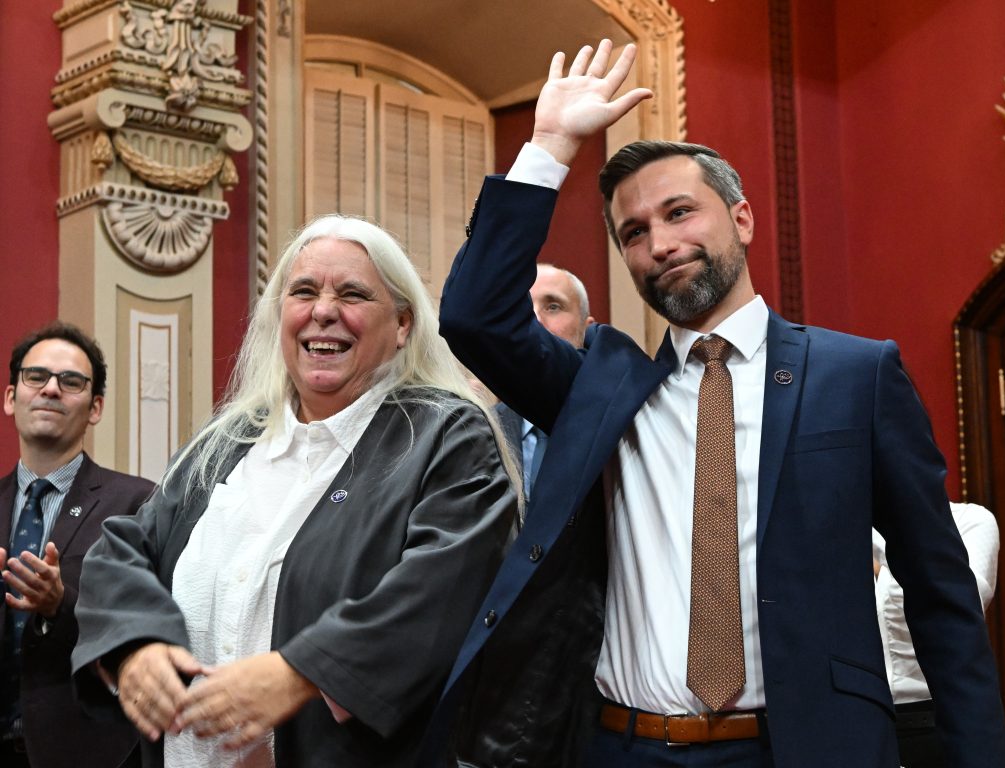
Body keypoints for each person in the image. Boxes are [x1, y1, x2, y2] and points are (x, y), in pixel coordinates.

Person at [428, 40, 1005, 767]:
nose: (661, 244)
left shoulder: (856, 376)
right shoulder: (599, 387)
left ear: (741, 219)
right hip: (621, 747)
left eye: (680, 213)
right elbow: (473, 316)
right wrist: (547, 148)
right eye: (634, 233)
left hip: (803, 749)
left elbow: (940, 593)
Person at [70, 216, 519, 768]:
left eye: (352, 293)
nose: (323, 311)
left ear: (403, 324)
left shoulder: (445, 436)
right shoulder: (228, 440)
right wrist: (133, 645)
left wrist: (303, 671)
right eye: (303, 291)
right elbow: (122, 550)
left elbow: (442, 590)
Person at [1, 321, 154, 768]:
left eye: (70, 382)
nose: (51, 389)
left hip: (85, 750)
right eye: (36, 377)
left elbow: (145, 625)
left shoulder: (138, 503)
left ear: (95, 407)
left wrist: (59, 604)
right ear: (12, 397)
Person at [873, 502, 999, 767]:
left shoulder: (971, 520)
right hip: (859, 726)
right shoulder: (848, 530)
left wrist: (876, 571)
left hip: (936, 722)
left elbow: (960, 603)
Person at [496, 264, 594, 505]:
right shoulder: (484, 427)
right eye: (523, 308)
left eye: (553, 306)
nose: (535, 320)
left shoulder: (617, 422)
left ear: (587, 328)